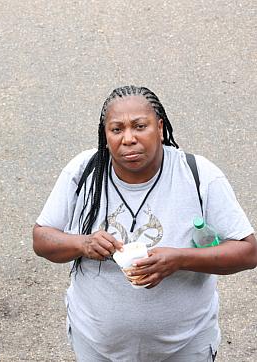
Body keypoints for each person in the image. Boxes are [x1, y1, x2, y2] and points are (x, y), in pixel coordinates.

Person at [33, 85, 257, 362]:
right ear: (105, 135)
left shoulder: (198, 175)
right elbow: (42, 239)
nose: (129, 139)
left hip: (185, 348)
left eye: (140, 126)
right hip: (98, 347)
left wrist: (180, 260)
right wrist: (84, 243)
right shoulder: (83, 172)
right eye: (117, 129)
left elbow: (248, 252)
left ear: (160, 128)